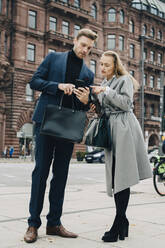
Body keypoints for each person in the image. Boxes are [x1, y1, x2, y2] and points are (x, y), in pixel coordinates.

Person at [24, 28, 97, 243]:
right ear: (74, 41)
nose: (85, 50)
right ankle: (32, 224)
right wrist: (58, 86)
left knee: (61, 175)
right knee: (40, 173)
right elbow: (34, 81)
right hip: (46, 122)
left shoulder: (88, 74)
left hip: (68, 127)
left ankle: (54, 223)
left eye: (89, 48)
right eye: (83, 45)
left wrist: (86, 100)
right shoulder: (54, 58)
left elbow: (84, 107)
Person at [90, 50, 152, 243]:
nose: (102, 68)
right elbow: (104, 109)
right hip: (111, 129)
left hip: (124, 129)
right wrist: (94, 104)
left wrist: (105, 92)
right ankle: (122, 221)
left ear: (115, 66)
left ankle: (117, 223)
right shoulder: (103, 83)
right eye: (101, 64)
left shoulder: (124, 79)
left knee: (122, 176)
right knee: (116, 178)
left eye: (106, 65)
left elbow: (126, 104)